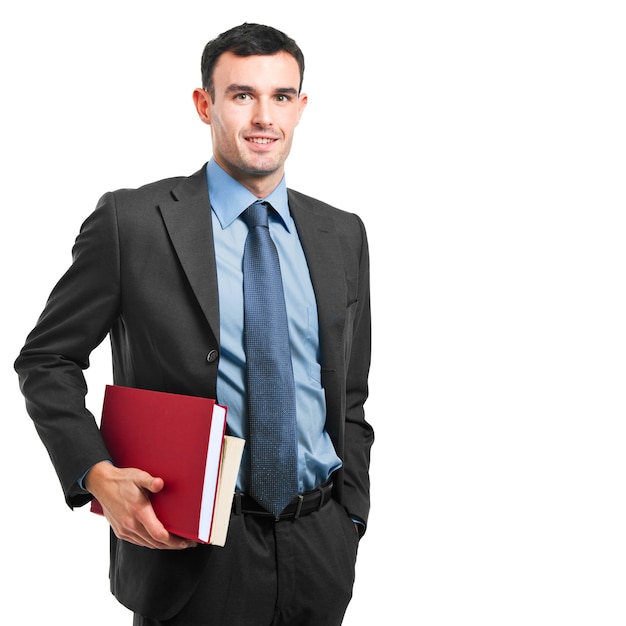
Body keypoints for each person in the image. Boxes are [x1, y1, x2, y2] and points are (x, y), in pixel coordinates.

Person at [15, 22, 373, 626]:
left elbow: (351, 393)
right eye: (241, 95)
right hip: (190, 548)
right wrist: (96, 474)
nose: (263, 116)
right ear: (204, 104)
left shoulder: (343, 234)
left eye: (281, 97)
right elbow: (46, 360)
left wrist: (351, 516)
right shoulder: (132, 222)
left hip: (319, 549)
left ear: (301, 107)